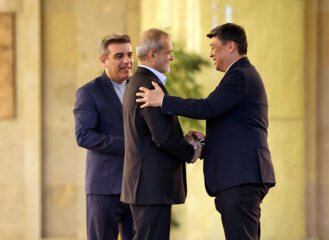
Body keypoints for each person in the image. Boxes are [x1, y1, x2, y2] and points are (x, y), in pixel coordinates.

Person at [136, 23, 276, 240]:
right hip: (239, 177)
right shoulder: (239, 75)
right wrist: (202, 144)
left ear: (230, 46)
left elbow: (207, 107)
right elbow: (232, 131)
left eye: (213, 47)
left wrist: (164, 101)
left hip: (241, 177)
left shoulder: (240, 75)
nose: (210, 53)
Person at [120, 28, 202, 240]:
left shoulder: (138, 82)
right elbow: (162, 137)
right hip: (151, 188)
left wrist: (182, 139)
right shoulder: (148, 85)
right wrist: (192, 151)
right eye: (168, 52)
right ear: (152, 55)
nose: (172, 57)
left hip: (146, 187)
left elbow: (151, 134)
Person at [73, 33, 134, 240]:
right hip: (104, 188)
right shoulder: (88, 92)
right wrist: (129, 146)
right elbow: (84, 136)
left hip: (138, 187)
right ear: (103, 60)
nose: (127, 61)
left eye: (129, 54)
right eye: (119, 56)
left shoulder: (142, 89)